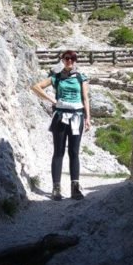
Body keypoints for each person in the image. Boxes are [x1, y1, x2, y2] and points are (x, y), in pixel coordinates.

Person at [31, 50, 91, 201]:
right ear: (63, 60)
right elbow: (36, 87)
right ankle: (56, 188)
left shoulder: (81, 77)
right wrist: (52, 101)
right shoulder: (56, 77)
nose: (70, 61)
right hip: (60, 116)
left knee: (74, 152)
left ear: (75, 60)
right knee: (58, 152)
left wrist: (88, 118)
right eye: (67, 58)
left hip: (77, 116)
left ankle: (75, 188)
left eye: (72, 58)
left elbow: (85, 98)